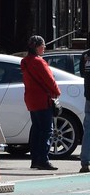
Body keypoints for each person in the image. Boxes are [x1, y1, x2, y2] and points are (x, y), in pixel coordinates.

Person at [21, 35, 61, 171]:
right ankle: (43, 160)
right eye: (42, 45)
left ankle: (35, 160)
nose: (44, 47)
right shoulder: (39, 62)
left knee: (37, 130)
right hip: (42, 100)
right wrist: (57, 92)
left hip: (31, 100)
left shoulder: (25, 61)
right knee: (46, 131)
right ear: (37, 47)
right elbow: (50, 80)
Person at [80, 45, 90, 173]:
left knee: (88, 130)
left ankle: (85, 161)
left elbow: (82, 73)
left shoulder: (85, 55)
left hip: (89, 96)